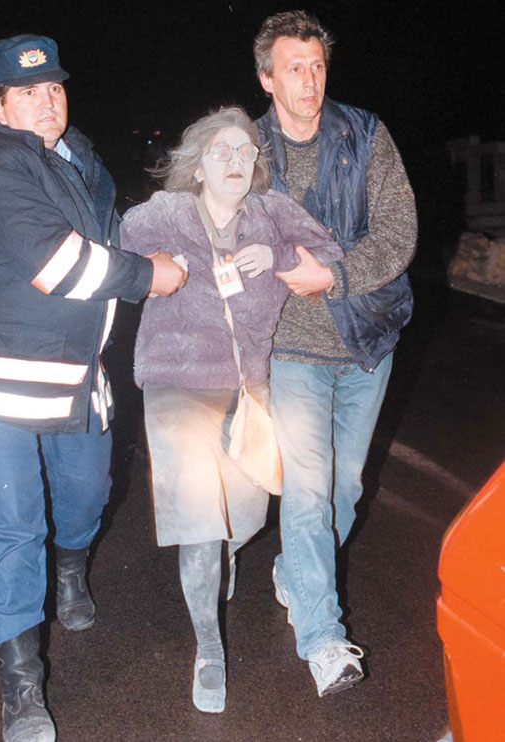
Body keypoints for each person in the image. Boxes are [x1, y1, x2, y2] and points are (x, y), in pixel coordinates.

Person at [0, 34, 185, 742]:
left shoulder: (75, 156)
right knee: (14, 526)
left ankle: (70, 568)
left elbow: (112, 232)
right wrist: (150, 276)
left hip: (73, 370)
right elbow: (61, 264)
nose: (47, 101)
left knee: (87, 495)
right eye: (27, 91)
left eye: (54, 87)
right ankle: (21, 685)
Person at [120, 106, 342, 713]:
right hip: (175, 379)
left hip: (247, 388)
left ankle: (223, 557)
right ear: (198, 166)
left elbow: (329, 255)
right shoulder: (168, 212)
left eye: (246, 151)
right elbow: (119, 243)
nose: (236, 161)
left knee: (244, 517)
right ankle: (209, 649)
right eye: (222, 151)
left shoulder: (273, 213)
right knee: (200, 518)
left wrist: (280, 258)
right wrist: (161, 267)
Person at [253, 10, 417, 697]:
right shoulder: (246, 150)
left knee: (344, 491)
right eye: (294, 68)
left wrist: (335, 276)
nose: (310, 80)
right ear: (267, 78)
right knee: (308, 489)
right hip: (291, 349)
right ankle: (322, 639)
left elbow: (399, 231)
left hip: (366, 340)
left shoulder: (366, 134)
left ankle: (294, 574)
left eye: (317, 66)